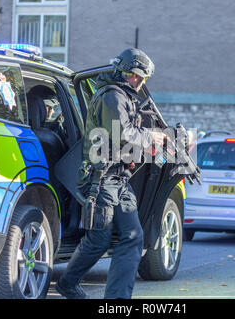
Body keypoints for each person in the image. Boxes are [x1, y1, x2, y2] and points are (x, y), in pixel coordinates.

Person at [56, 48, 167, 299]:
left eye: (142, 78)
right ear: (125, 73)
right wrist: (151, 137)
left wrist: (152, 145)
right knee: (98, 239)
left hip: (118, 179)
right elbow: (121, 133)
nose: (138, 82)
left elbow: (124, 140)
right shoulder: (112, 97)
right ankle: (66, 284)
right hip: (100, 180)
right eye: (135, 76)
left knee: (132, 236)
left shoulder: (125, 97)